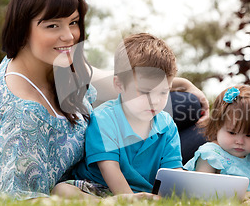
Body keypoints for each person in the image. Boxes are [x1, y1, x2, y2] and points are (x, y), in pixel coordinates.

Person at [0, 0, 208, 200]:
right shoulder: (20, 113)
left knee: (192, 106)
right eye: (53, 25)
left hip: (132, 151)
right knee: (200, 134)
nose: (69, 35)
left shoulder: (59, 63)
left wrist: (180, 84)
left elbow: (117, 81)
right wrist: (112, 204)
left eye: (73, 22)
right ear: (22, 28)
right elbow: (20, 198)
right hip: (91, 181)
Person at [70, 33, 183, 195]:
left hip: (145, 192)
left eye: (163, 92)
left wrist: (174, 197)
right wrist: (130, 202)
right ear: (119, 85)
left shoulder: (167, 125)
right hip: (99, 186)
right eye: (145, 92)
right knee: (63, 190)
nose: (155, 101)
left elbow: (173, 172)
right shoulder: (104, 119)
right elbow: (110, 168)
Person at [184, 85, 250, 201]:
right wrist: (242, 196)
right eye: (232, 133)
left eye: (249, 135)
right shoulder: (210, 155)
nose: (240, 141)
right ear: (217, 126)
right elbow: (202, 191)